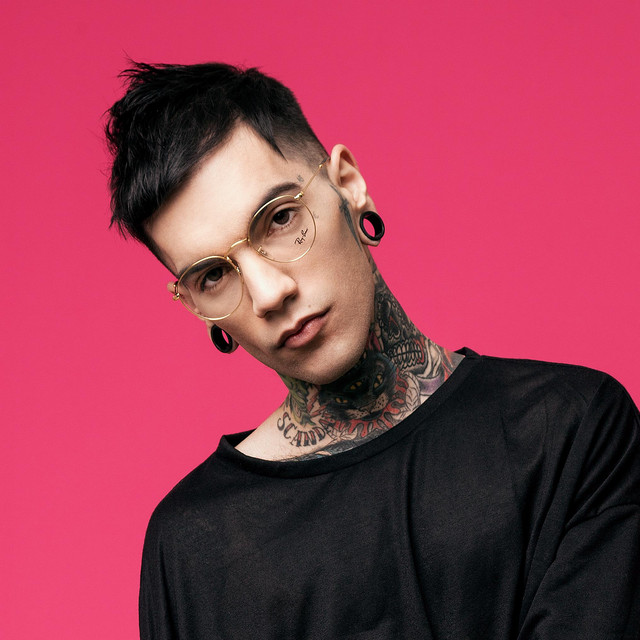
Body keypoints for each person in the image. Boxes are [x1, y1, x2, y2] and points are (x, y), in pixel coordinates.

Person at [105, 62, 640, 639]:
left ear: (348, 184)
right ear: (193, 304)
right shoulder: (191, 547)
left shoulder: (570, 427)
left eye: (280, 219)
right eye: (214, 275)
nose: (268, 293)